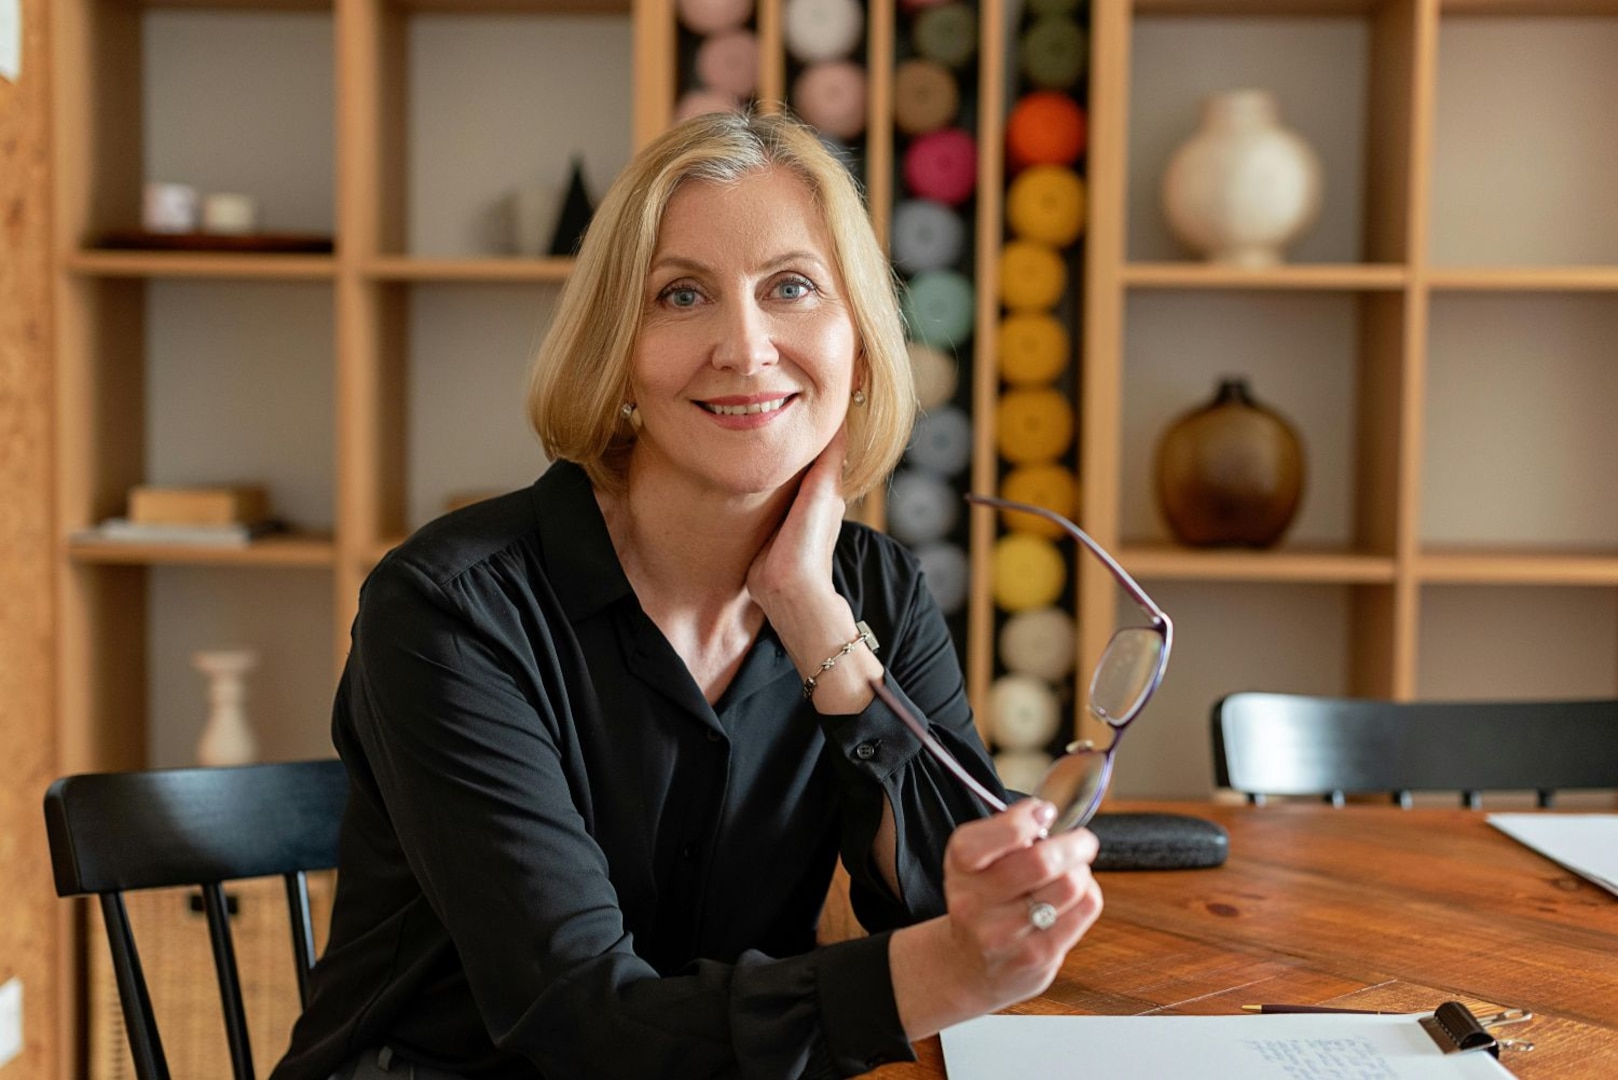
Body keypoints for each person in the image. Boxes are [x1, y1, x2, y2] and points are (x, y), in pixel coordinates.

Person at [272, 110, 1102, 1080]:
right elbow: (581, 1020)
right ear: (616, 350)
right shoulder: (451, 612)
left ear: (860, 344)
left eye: (791, 287)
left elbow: (941, 898)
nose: (745, 349)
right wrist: (938, 974)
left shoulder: (871, 588)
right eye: (680, 296)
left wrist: (814, 620)